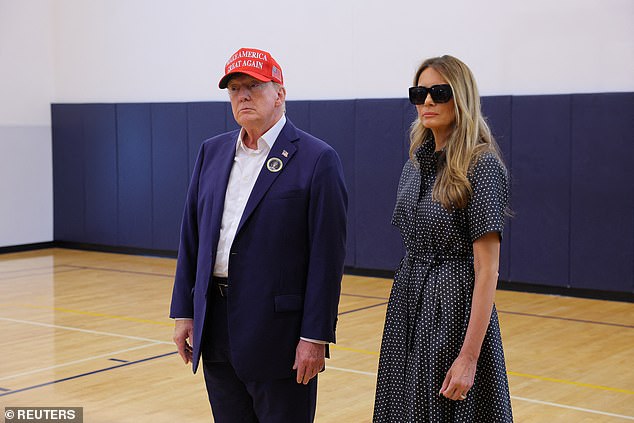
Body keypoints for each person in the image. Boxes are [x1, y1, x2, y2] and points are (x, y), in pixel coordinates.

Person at [169, 47, 348, 423]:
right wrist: (185, 312)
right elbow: (192, 239)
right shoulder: (212, 152)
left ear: (279, 93)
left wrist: (315, 336)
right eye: (234, 88)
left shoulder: (317, 159)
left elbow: (326, 259)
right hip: (215, 327)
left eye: (253, 85)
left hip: (279, 336)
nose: (243, 95)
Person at [373, 55, 513, 422]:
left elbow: (487, 270)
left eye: (439, 92)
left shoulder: (481, 165)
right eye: (419, 93)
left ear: (461, 96)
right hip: (408, 302)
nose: (428, 102)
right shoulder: (415, 163)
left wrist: (469, 356)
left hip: (452, 308)